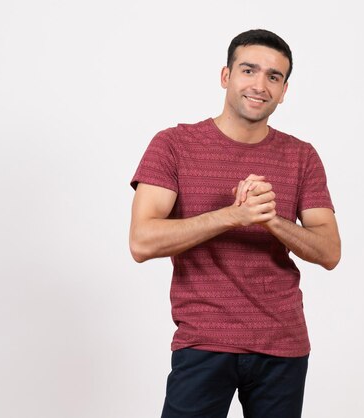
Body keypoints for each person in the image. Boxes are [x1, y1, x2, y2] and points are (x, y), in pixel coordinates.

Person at [129, 28, 341, 418]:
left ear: (284, 90)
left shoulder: (302, 156)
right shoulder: (174, 145)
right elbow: (142, 241)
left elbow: (329, 252)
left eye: (274, 77)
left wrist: (270, 219)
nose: (260, 85)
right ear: (226, 76)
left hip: (283, 344)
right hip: (204, 340)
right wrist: (232, 215)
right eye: (249, 70)